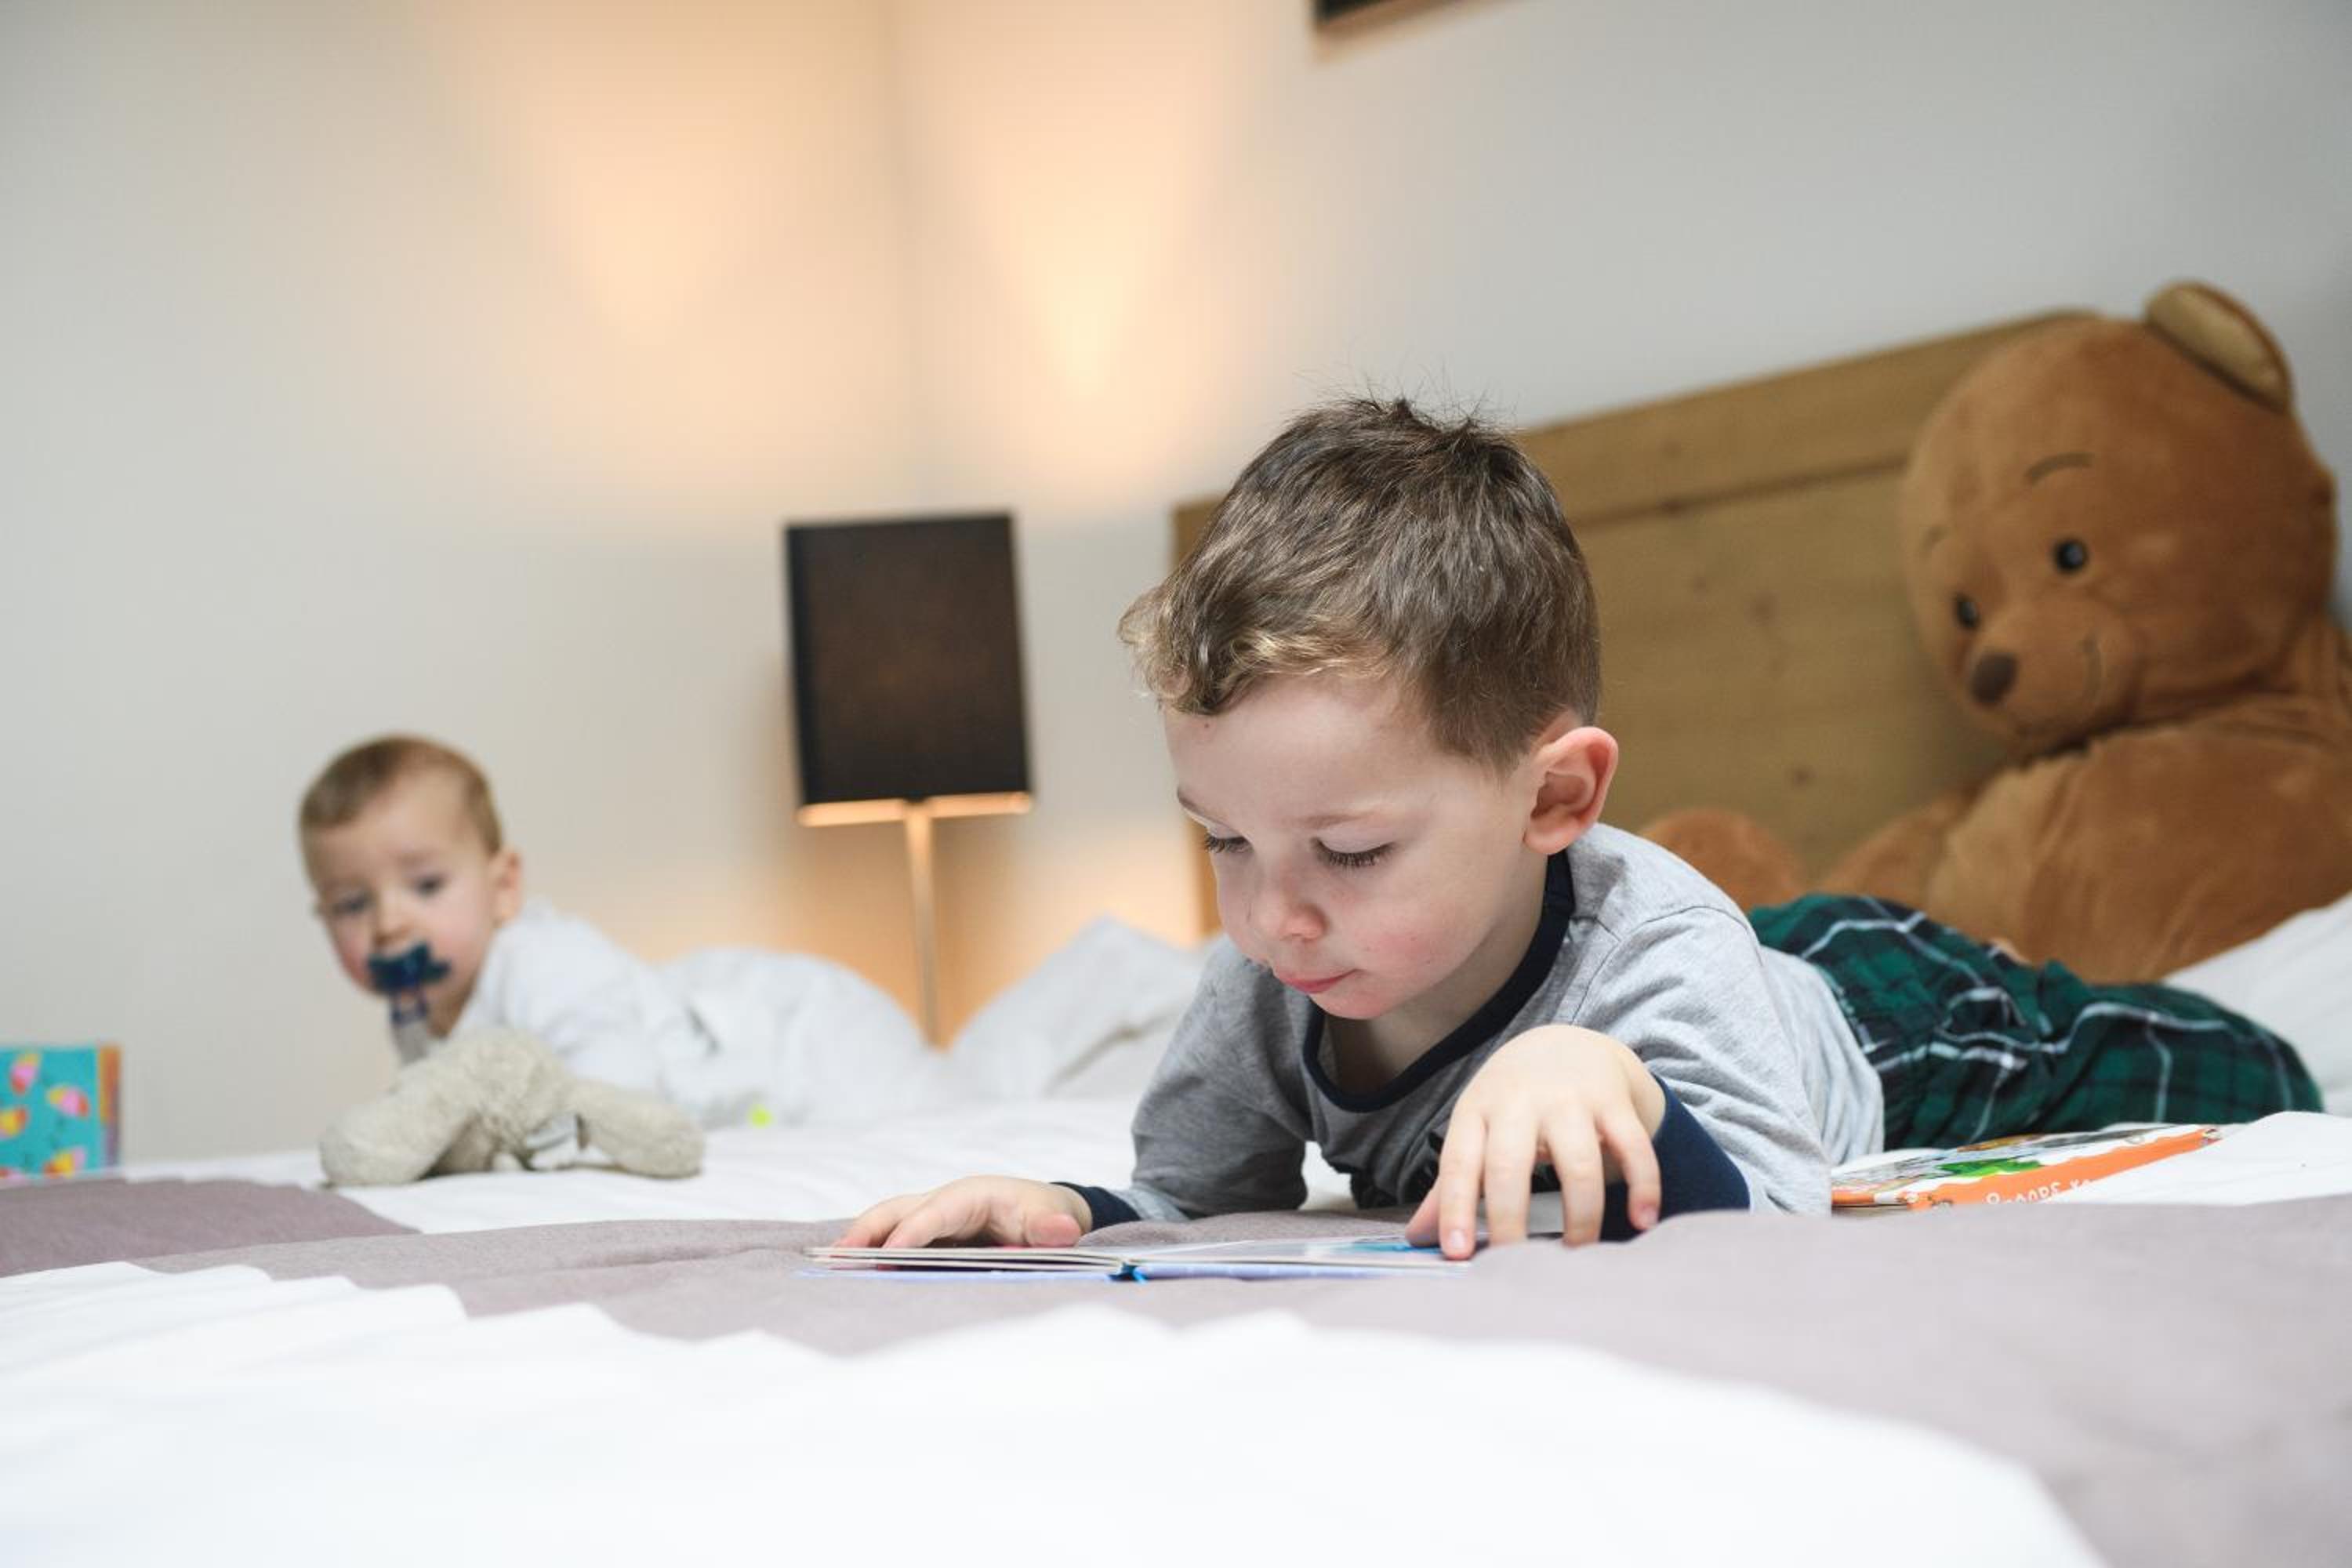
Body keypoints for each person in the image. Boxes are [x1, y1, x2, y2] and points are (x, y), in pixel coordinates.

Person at [841, 396, 2319, 1258]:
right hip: (1745, 967)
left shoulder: (1654, 945)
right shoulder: (1275, 978)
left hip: (1883, 1020)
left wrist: (1614, 1081)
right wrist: (1061, 1204)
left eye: (1350, 853)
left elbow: (1781, 1211)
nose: (1272, 916)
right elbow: (1196, 1192)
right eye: (1224, 842)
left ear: (1554, 799)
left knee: (2179, 1055)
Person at [298, 735, 1200, 1129]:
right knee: (971, 1084)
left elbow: (617, 1088)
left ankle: (1116, 969)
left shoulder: (541, 964)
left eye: (425, 884)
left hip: (803, 1042)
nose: (389, 922)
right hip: (759, 1037)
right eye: (349, 903)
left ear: (503, 886)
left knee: (964, 1104)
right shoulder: (418, 1009)